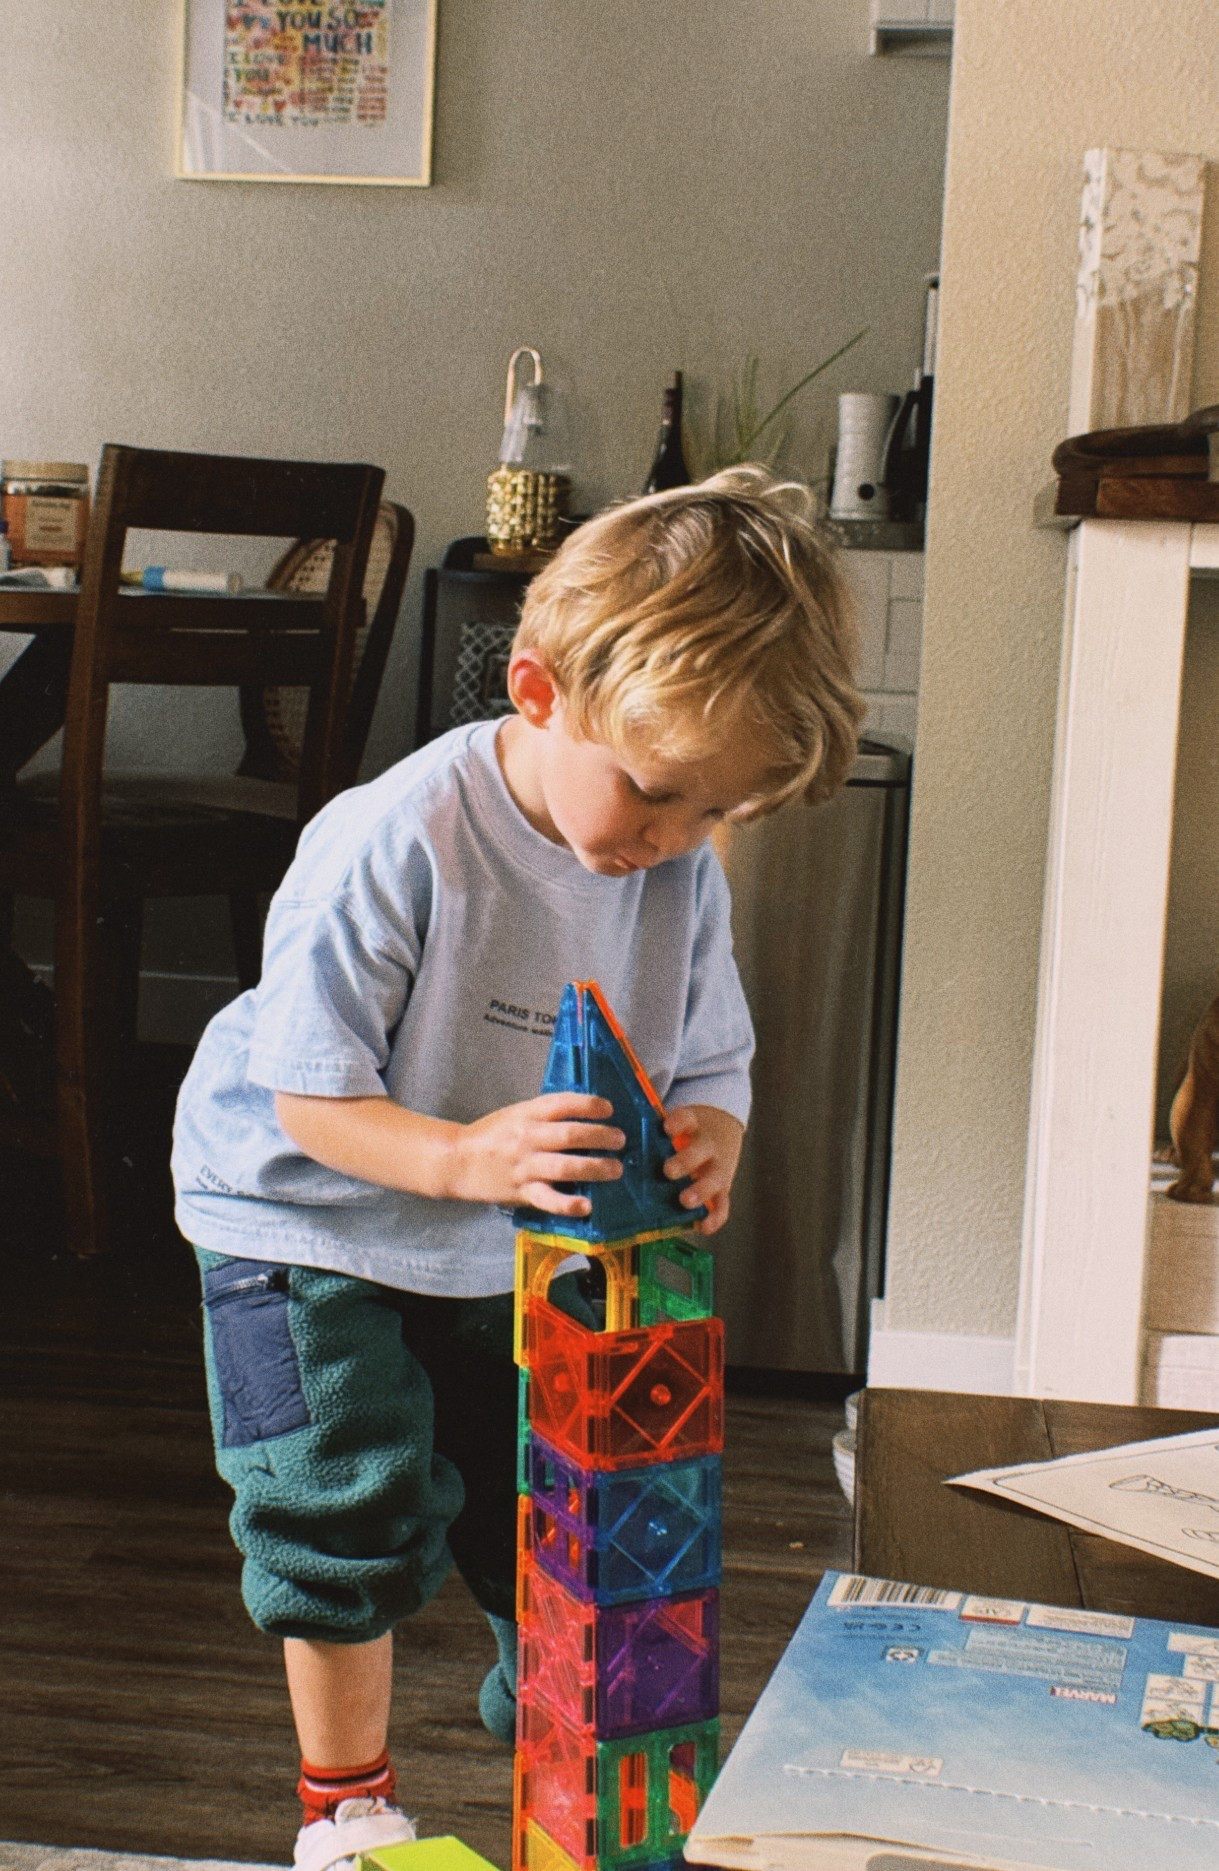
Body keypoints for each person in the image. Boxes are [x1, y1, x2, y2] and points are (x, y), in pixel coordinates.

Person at [171, 465, 863, 1871]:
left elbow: (712, 1057)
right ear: (540, 693)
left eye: (714, 816)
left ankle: (552, 1719)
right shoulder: (396, 839)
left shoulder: (675, 869)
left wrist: (712, 1134)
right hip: (301, 1215)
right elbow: (309, 1098)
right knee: (343, 1499)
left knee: (540, 1491)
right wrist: (464, 1154)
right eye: (657, 795)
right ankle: (346, 1806)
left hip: (498, 1225)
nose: (675, 842)